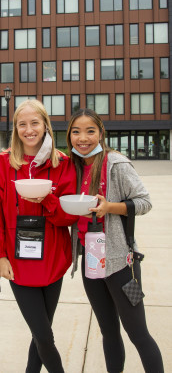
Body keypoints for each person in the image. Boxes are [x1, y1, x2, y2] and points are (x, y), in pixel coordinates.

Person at [66, 108, 164, 373]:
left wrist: (110, 206)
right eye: (76, 131)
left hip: (123, 265)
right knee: (108, 332)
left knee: (138, 333)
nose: (82, 138)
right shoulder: (73, 166)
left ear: (101, 133)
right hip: (92, 262)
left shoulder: (116, 163)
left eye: (90, 131)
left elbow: (145, 202)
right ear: (69, 135)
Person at [0, 99, 77, 373]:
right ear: (15, 128)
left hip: (53, 258)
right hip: (18, 261)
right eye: (22, 124)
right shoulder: (2, 164)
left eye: (34, 123)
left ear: (45, 125)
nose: (29, 129)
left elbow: (68, 217)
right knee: (44, 335)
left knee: (40, 333)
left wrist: (47, 200)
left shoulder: (63, 163)